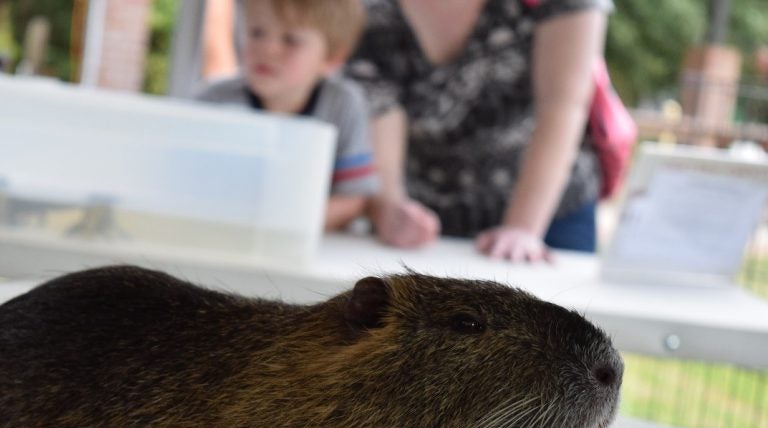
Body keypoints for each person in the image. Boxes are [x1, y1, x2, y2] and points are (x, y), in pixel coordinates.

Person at [346, 0, 611, 260]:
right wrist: (391, 207)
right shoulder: (367, 7)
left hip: (549, 215)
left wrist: (522, 230)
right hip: (424, 223)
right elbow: (379, 107)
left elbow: (563, 105)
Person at [195, 0, 379, 234]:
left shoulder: (343, 104)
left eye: (291, 40)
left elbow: (352, 199)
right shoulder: (211, 101)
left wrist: (283, 223)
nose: (267, 48)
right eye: (257, 32)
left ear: (331, 58)